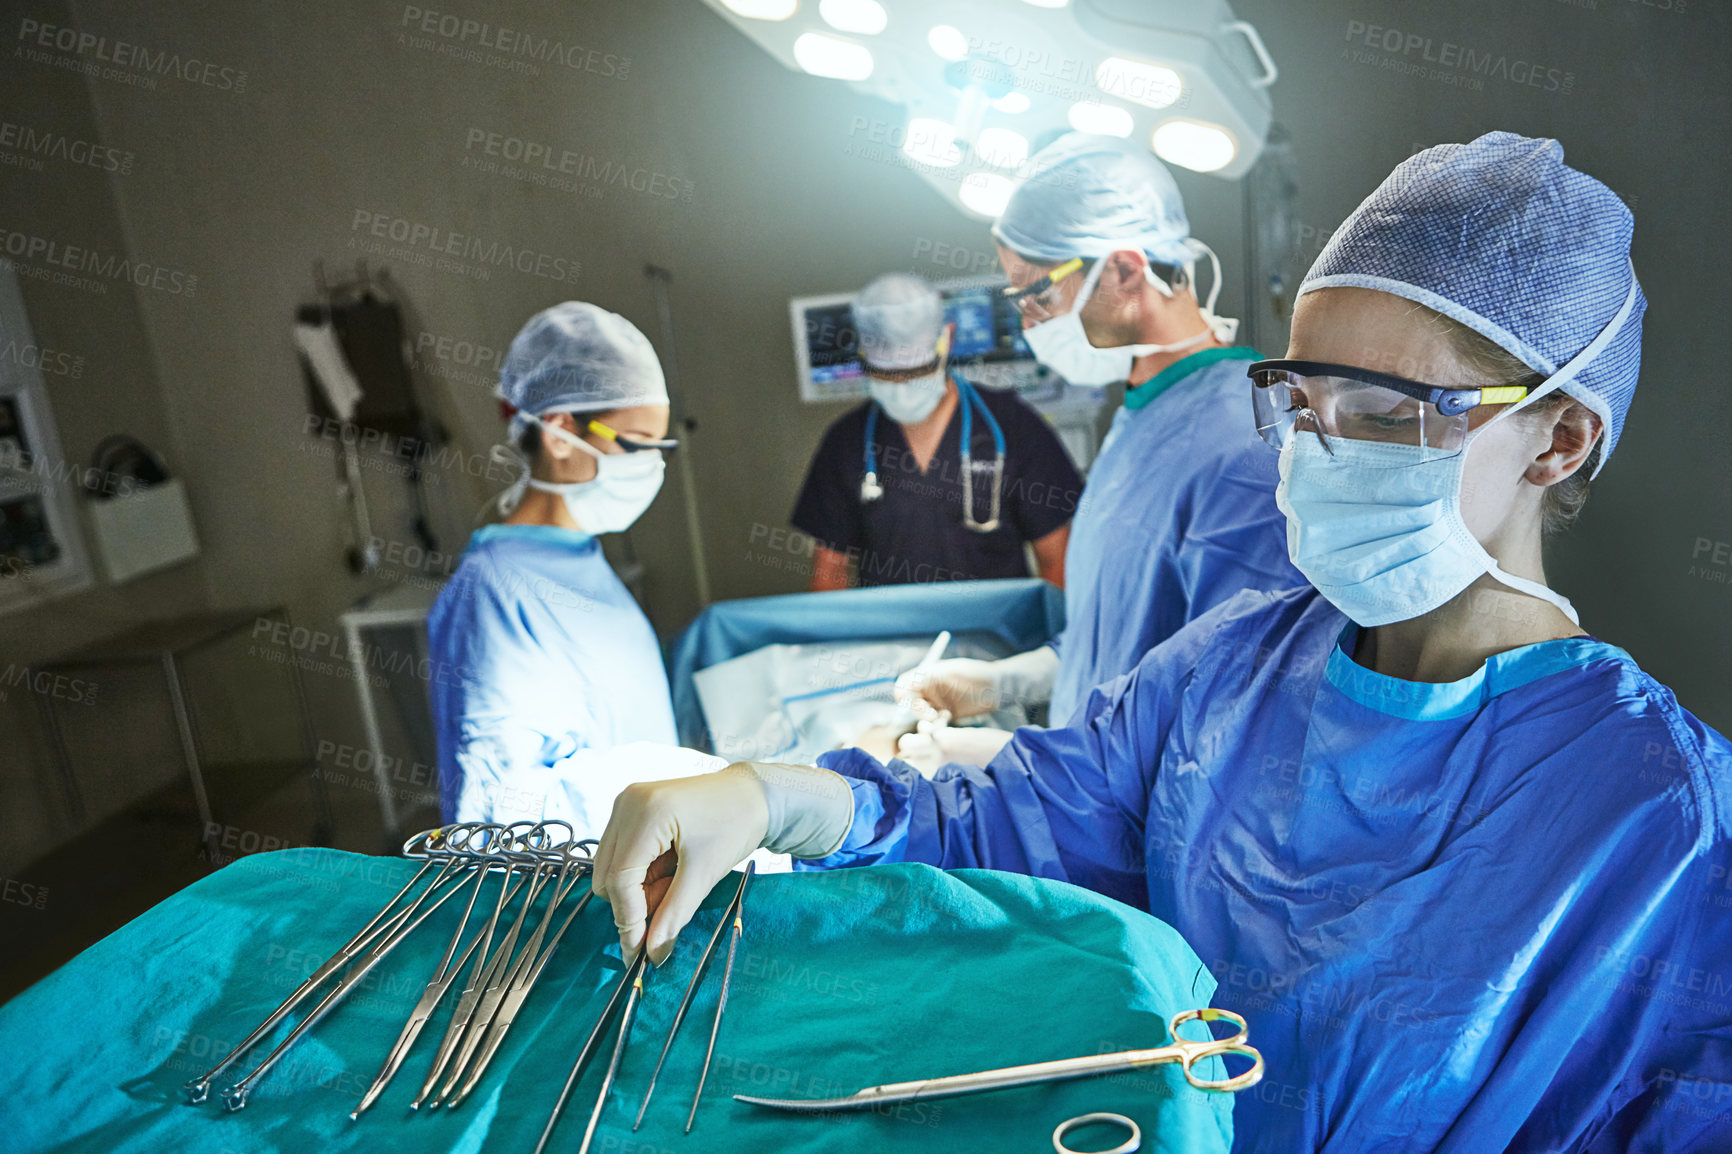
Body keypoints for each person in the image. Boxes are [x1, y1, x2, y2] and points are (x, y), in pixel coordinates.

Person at [588, 134, 1732, 1152]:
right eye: (1301, 400)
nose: (1318, 452)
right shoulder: (1227, 668)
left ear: (1559, 440)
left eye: (1386, 411)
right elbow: (996, 820)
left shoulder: (1662, 817)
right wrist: (774, 798)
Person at [897, 134, 1303, 763]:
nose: (1029, 321)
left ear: (1123, 269)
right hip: (1090, 805)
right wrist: (1005, 682)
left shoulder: (1245, 443)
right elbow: (1125, 639)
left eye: (1038, 293)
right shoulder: (1143, 416)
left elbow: (1230, 716)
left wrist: (1009, 762)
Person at [427, 301, 718, 835]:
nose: (651, 467)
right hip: (570, 897)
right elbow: (501, 810)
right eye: (637, 445)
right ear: (560, 434)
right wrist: (688, 786)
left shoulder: (581, 559)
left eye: (661, 449)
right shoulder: (491, 597)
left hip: (641, 868)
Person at [791, 272, 1083, 590]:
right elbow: (830, 570)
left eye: (916, 370)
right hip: (890, 636)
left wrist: (1055, 638)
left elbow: (1057, 559)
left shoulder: (1013, 426)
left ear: (947, 339)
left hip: (999, 632)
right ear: (863, 354)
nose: (901, 386)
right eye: (885, 374)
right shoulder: (846, 441)